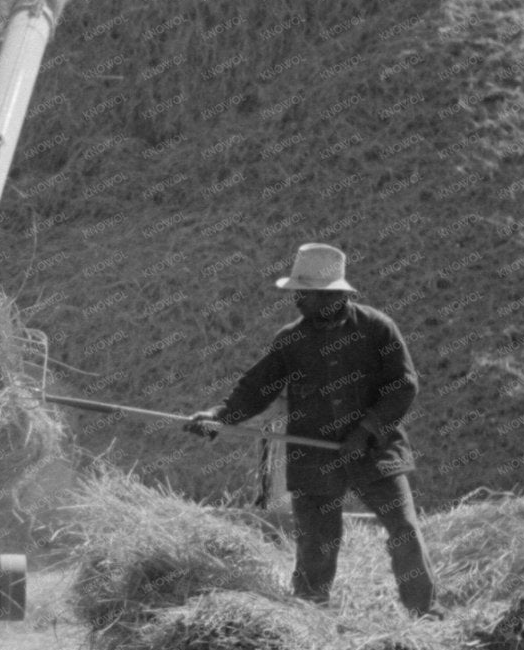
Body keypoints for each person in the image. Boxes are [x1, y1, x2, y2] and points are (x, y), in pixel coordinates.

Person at [185, 243, 437, 615]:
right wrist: (219, 416)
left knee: (404, 530)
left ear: (332, 295)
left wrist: (365, 430)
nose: (296, 300)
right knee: (317, 543)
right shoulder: (291, 339)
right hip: (315, 454)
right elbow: (258, 388)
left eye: (304, 293)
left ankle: (425, 613)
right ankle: (309, 617)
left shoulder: (377, 329)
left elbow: (403, 385)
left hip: (376, 450)